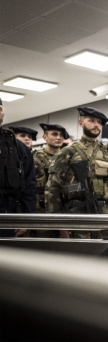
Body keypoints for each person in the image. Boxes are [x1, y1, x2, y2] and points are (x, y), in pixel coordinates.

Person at [45, 107, 108, 239]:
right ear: (81, 123)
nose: (96, 125)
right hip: (78, 216)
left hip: (107, 215)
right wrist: (58, 223)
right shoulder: (68, 152)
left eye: (99, 122)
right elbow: (52, 188)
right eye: (91, 121)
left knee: (106, 256)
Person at [0, 99, 36, 238]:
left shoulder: (18, 148)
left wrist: (26, 219)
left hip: (7, 220)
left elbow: (29, 186)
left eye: (0, 109)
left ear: (3, 113)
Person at [32, 123, 68, 237]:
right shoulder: (36, 158)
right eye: (54, 134)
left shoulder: (67, 158)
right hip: (41, 210)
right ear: (45, 137)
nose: (58, 137)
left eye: (61, 135)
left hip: (63, 208)